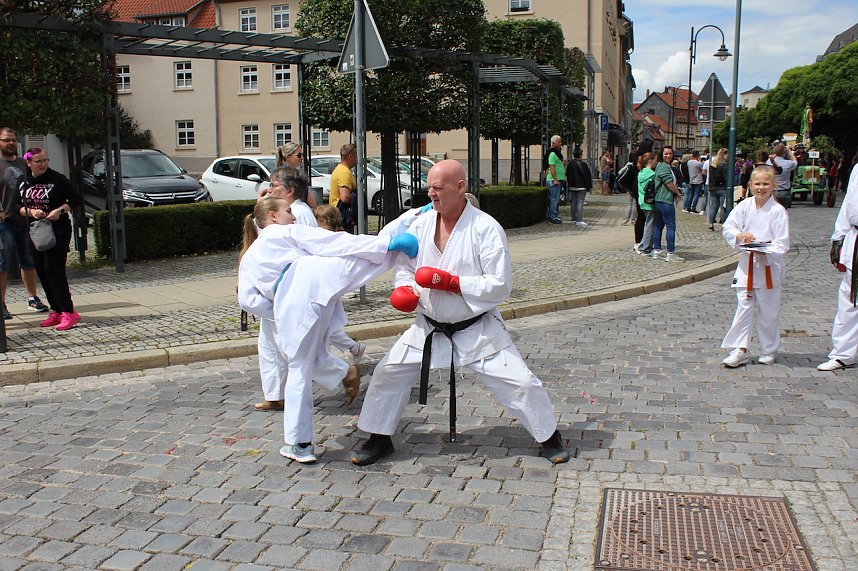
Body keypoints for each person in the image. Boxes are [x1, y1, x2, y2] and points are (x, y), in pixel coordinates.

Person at [351, 159, 569, 466]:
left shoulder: (486, 228)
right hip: (428, 327)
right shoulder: (421, 224)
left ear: (460, 187)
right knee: (389, 373)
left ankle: (549, 436)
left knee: (520, 383)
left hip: (476, 329)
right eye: (429, 187)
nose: (431, 194)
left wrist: (454, 283)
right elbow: (405, 266)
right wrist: (407, 290)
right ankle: (379, 438)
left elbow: (500, 284)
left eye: (438, 188)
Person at [238, 198, 419, 463]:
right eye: (288, 211)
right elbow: (330, 242)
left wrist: (280, 310)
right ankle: (412, 220)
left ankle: (300, 445)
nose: (294, 216)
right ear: (272, 217)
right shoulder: (282, 232)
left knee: (300, 368)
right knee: (366, 261)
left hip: (293, 298)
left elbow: (248, 300)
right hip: (313, 278)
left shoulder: (250, 256)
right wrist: (383, 245)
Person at [720, 166, 790, 367]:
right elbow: (729, 227)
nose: (761, 188)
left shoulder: (778, 211)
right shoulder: (744, 206)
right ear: (750, 185)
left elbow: (782, 243)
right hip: (747, 266)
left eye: (766, 184)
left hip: (769, 266)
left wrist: (765, 250)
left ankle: (769, 349)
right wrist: (739, 235)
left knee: (768, 311)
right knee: (744, 308)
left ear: (773, 186)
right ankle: (739, 348)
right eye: (757, 184)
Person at [15, 148, 81, 330]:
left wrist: (60, 211)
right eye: (38, 161)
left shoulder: (57, 179)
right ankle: (57, 311)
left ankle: (69, 312)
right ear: (28, 163)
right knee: (42, 271)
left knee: (54, 270)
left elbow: (76, 199)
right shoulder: (23, 181)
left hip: (58, 230)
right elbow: (16, 206)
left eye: (45, 160)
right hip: (36, 231)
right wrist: (31, 212)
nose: (43, 164)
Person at [0, 127, 48, 320]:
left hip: (25, 219)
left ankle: (32, 298)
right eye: (6, 140)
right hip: (4, 221)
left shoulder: (23, 163)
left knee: (28, 260)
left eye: (13, 140)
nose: (10, 143)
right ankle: (1, 303)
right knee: (2, 264)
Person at [818, 154, 858, 371]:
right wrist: (838, 238)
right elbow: (848, 206)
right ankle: (843, 353)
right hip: (856, 239)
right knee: (850, 299)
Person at [650, 146, 683, 262]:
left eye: (670, 154)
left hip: (660, 200)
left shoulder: (660, 165)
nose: (668, 156)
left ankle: (658, 251)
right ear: (661, 155)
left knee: (658, 226)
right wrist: (678, 193)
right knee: (671, 226)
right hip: (665, 201)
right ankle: (670, 253)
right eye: (666, 154)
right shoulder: (664, 167)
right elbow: (669, 184)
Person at [274, 141, 317, 207]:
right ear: (288, 157)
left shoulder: (296, 176)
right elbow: (313, 204)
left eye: (302, 155)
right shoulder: (285, 177)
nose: (302, 158)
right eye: (299, 155)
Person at [329, 143, 358, 234]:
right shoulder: (344, 173)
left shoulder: (339, 169)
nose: (357, 158)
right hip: (343, 216)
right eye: (356, 155)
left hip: (336, 213)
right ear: (350, 156)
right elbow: (345, 197)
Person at [634, 152, 657, 256]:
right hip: (650, 202)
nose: (656, 162)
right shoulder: (652, 174)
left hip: (642, 201)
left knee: (647, 223)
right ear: (651, 161)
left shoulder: (641, 172)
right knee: (650, 225)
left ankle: (644, 245)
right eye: (655, 160)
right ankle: (645, 248)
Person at [565, 146, 590, 227]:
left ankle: (573, 219)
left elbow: (568, 175)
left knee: (573, 203)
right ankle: (579, 220)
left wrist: (569, 184)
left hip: (572, 186)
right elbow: (587, 176)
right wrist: (588, 186)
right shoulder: (583, 164)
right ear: (580, 155)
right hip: (582, 186)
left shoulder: (570, 164)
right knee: (580, 203)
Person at [769, 143, 797, 208]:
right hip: (784, 191)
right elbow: (795, 162)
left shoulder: (768, 162)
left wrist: (775, 154)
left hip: (772, 191)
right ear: (784, 152)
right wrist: (789, 151)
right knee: (783, 212)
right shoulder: (788, 163)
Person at [707, 148, 729, 231]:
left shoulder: (713, 164)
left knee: (713, 206)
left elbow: (710, 177)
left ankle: (710, 224)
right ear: (724, 155)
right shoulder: (724, 165)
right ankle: (724, 224)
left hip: (713, 188)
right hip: (722, 188)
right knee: (723, 207)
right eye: (727, 155)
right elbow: (726, 178)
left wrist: (710, 186)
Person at [545, 135, 565, 224]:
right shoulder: (552, 154)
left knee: (554, 199)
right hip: (554, 180)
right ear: (554, 143)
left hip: (558, 179)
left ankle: (553, 215)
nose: (561, 143)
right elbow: (552, 167)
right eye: (559, 142)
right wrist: (555, 179)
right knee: (554, 199)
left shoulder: (557, 154)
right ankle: (553, 217)